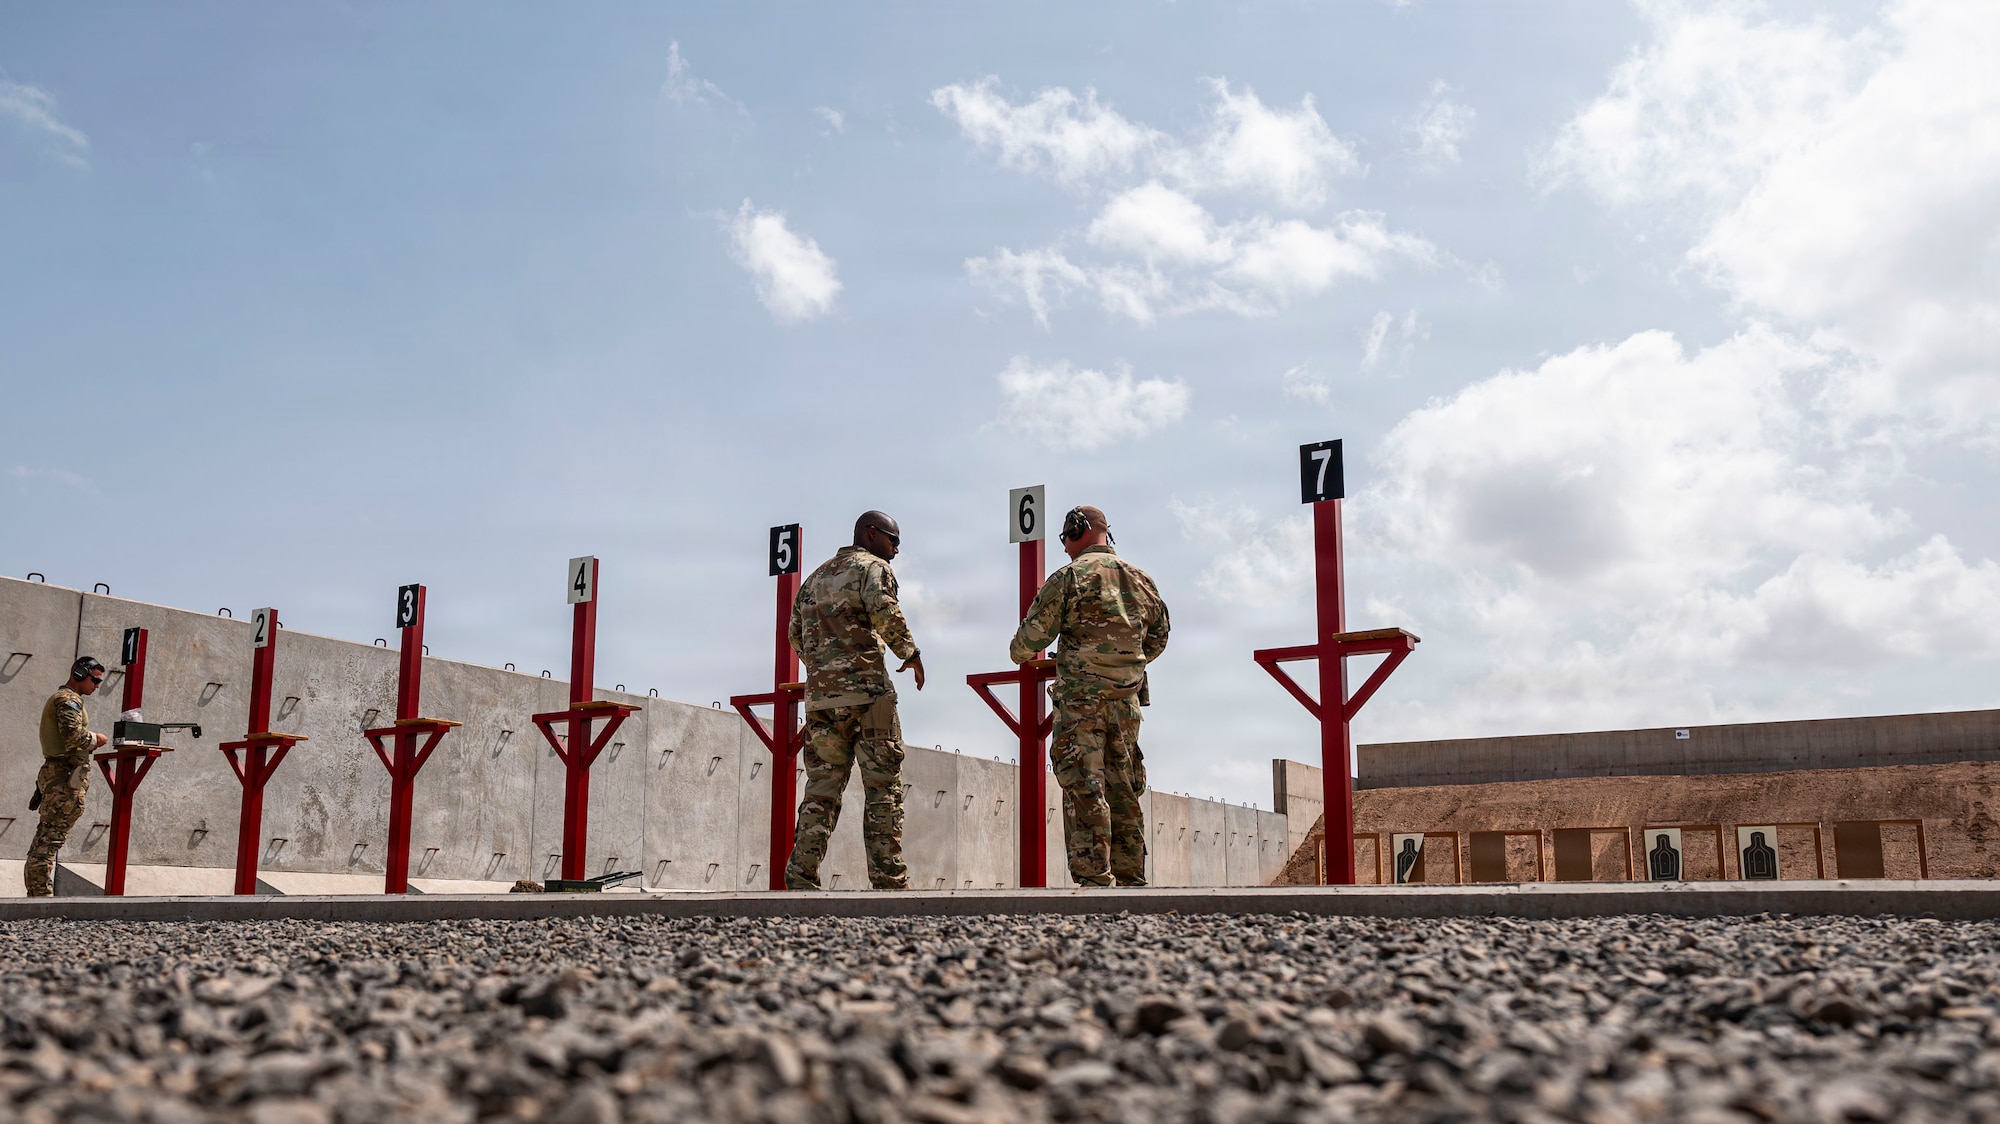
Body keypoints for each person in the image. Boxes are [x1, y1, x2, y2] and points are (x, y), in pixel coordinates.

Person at [1010, 505, 1169, 887]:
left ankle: (1095, 878)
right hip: (1126, 702)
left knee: (1084, 785)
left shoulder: (1069, 577)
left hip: (1082, 702)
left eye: (1066, 538)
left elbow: (1029, 641)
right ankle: (1131, 876)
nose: (1064, 547)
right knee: (1124, 785)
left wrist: (1028, 651)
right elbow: (1158, 639)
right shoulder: (1142, 580)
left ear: (1078, 530)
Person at [784, 511, 925, 891]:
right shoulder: (871, 568)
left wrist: (826, 669)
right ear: (871, 533)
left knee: (821, 790)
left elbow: (795, 634)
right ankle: (889, 882)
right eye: (893, 541)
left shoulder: (815, 577)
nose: (896, 550)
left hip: (822, 703)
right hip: (868, 698)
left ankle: (799, 877)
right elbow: (884, 610)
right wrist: (908, 653)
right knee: (883, 789)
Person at [26, 656, 109, 896]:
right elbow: (74, 736)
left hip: (61, 776)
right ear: (80, 674)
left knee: (46, 840)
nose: (97, 685)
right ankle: (41, 899)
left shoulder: (69, 699)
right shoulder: (67, 699)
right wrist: (98, 740)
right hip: (64, 779)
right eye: (94, 680)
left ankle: (38, 896)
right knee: (48, 843)